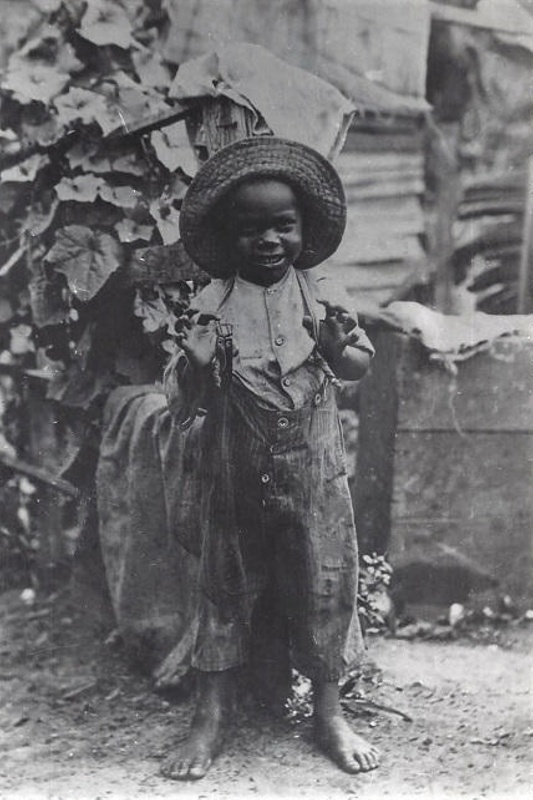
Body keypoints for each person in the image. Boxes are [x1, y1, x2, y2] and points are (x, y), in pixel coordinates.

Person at [161, 136, 380, 780]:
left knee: (324, 580)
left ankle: (329, 713)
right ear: (229, 237)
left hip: (313, 474)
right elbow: (184, 401)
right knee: (224, 587)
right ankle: (211, 718)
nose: (267, 240)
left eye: (282, 226)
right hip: (233, 473)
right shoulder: (211, 303)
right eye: (251, 229)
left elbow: (361, 366)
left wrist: (341, 352)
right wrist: (198, 365)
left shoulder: (321, 296)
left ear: (303, 231)